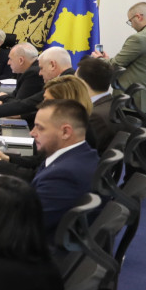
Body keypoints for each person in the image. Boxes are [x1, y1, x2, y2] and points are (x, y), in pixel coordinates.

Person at [0, 74, 97, 178]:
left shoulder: (78, 133)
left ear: (63, 101)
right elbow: (40, 161)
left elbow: (38, 176)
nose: (42, 104)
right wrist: (8, 158)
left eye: (47, 100)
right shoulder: (71, 125)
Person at [28, 98, 98, 237]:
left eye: (40, 127)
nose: (32, 132)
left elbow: (27, 224)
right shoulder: (83, 155)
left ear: (65, 132)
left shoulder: (64, 175)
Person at [0, 44, 67, 122]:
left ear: (52, 65)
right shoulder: (63, 80)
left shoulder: (63, 82)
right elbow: (22, 101)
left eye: (41, 68)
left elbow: (25, 104)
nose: (40, 72)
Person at [93, 1, 146, 112]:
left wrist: (99, 59)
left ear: (138, 17)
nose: (132, 26)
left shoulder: (139, 38)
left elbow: (116, 64)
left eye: (130, 21)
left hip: (135, 103)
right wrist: (108, 60)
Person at [76, 56, 119, 152]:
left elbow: (85, 151)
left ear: (82, 84)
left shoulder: (94, 117)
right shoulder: (112, 104)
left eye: (75, 80)